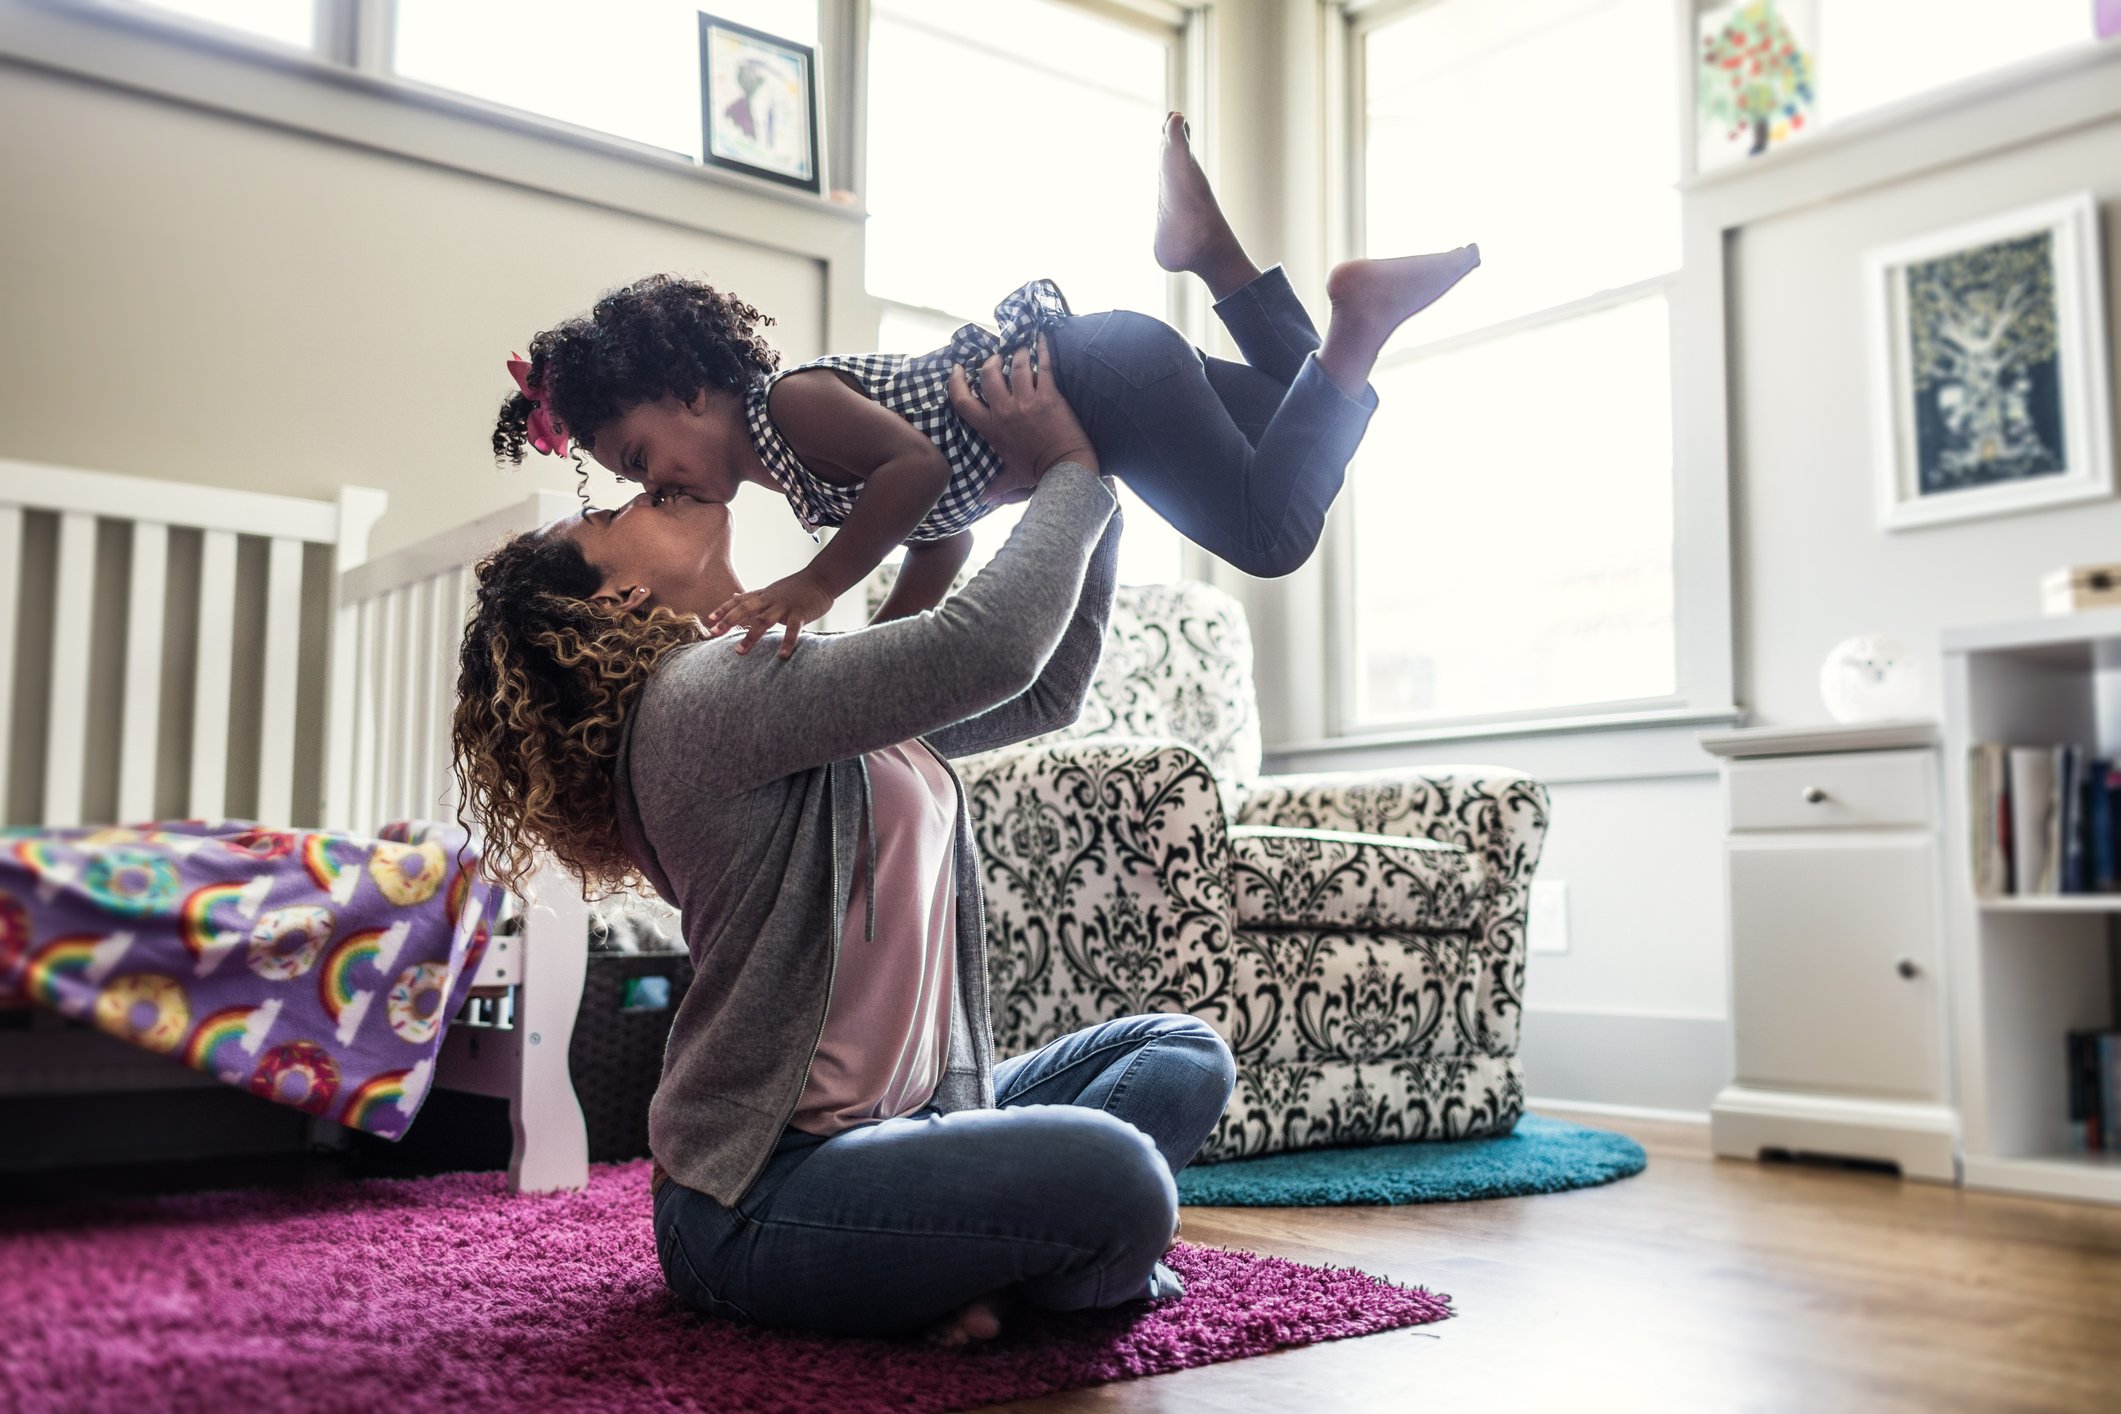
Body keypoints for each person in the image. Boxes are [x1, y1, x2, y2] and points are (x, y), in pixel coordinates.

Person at [453, 343, 1237, 1343]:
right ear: (610, 605)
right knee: (1118, 1173)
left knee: (1179, 1054)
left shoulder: (775, 672)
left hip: (912, 1125)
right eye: (611, 515)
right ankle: (1040, 1273)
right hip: (758, 1196)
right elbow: (989, 646)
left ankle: (985, 1271)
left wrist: (1094, 483)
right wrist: (1069, 469)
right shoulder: (693, 699)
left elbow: (1043, 689)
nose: (645, 487)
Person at [493, 113, 1479, 656]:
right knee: (1299, 419)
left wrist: (822, 581)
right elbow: (942, 529)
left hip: (1097, 381)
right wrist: (876, 642)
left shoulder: (790, 409)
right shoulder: (799, 473)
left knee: (1273, 532)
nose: (646, 483)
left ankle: (1355, 317)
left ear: (689, 390)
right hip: (1109, 371)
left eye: (635, 456)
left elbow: (916, 470)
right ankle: (1216, 256)